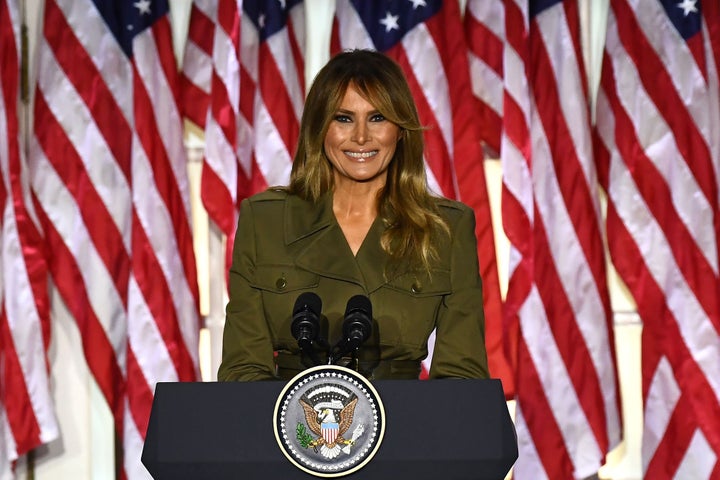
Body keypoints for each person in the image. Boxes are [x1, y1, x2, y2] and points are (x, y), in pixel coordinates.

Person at [217, 49, 488, 382]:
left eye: (378, 118)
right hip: (288, 425)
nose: (361, 136)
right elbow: (242, 370)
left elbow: (462, 380)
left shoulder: (446, 229)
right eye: (343, 118)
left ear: (400, 130)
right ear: (320, 128)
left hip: (405, 425)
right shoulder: (265, 223)